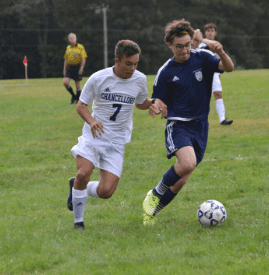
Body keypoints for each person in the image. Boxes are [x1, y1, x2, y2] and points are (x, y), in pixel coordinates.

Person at [142, 19, 234, 225]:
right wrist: (156, 105)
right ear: (169, 45)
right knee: (187, 163)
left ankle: (150, 212)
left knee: (181, 180)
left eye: (187, 45)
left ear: (191, 42)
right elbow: (158, 99)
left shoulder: (202, 57)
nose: (184, 50)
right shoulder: (166, 71)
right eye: (179, 46)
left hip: (201, 126)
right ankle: (155, 193)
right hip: (178, 125)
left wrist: (221, 52)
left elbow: (229, 68)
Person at [67, 40, 161, 231]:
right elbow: (81, 106)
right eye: (128, 64)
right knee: (83, 173)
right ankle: (78, 223)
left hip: (117, 141)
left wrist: (153, 103)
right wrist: (92, 121)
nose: (132, 68)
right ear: (117, 60)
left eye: (136, 64)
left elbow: (140, 102)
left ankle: (76, 186)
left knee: (106, 191)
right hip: (94, 135)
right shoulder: (98, 78)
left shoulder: (139, 79)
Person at [193, 24, 233, 125]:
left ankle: (222, 119)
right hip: (203, 74)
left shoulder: (216, 45)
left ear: (215, 33)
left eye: (212, 30)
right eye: (208, 31)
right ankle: (195, 118)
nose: (210, 32)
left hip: (214, 74)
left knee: (218, 94)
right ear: (205, 33)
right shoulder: (201, 45)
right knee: (200, 97)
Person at [63, 33, 87, 104]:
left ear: (76, 39)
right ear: (69, 39)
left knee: (77, 84)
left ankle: (78, 100)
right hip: (69, 67)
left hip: (77, 67)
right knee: (65, 82)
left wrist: (81, 68)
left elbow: (83, 58)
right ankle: (73, 96)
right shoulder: (68, 48)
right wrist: (64, 69)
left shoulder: (80, 47)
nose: (72, 40)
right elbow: (66, 59)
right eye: (70, 38)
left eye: (73, 38)